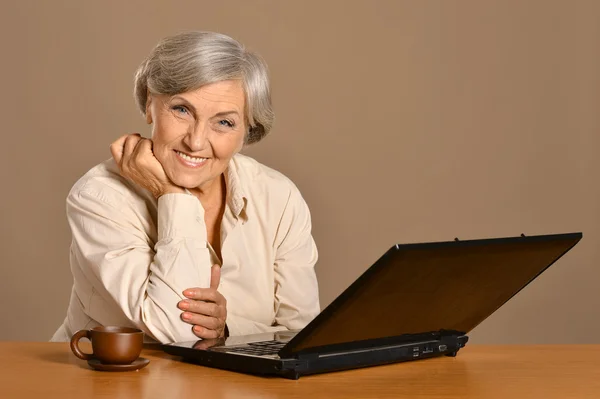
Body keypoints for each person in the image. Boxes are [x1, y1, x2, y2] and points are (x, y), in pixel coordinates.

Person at [51, 31, 320, 344]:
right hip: (101, 386)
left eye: (224, 123)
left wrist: (228, 330)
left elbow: (302, 335)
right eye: (181, 110)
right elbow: (175, 332)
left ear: (247, 132)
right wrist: (173, 195)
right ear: (150, 104)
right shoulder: (100, 196)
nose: (195, 141)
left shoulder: (278, 197)